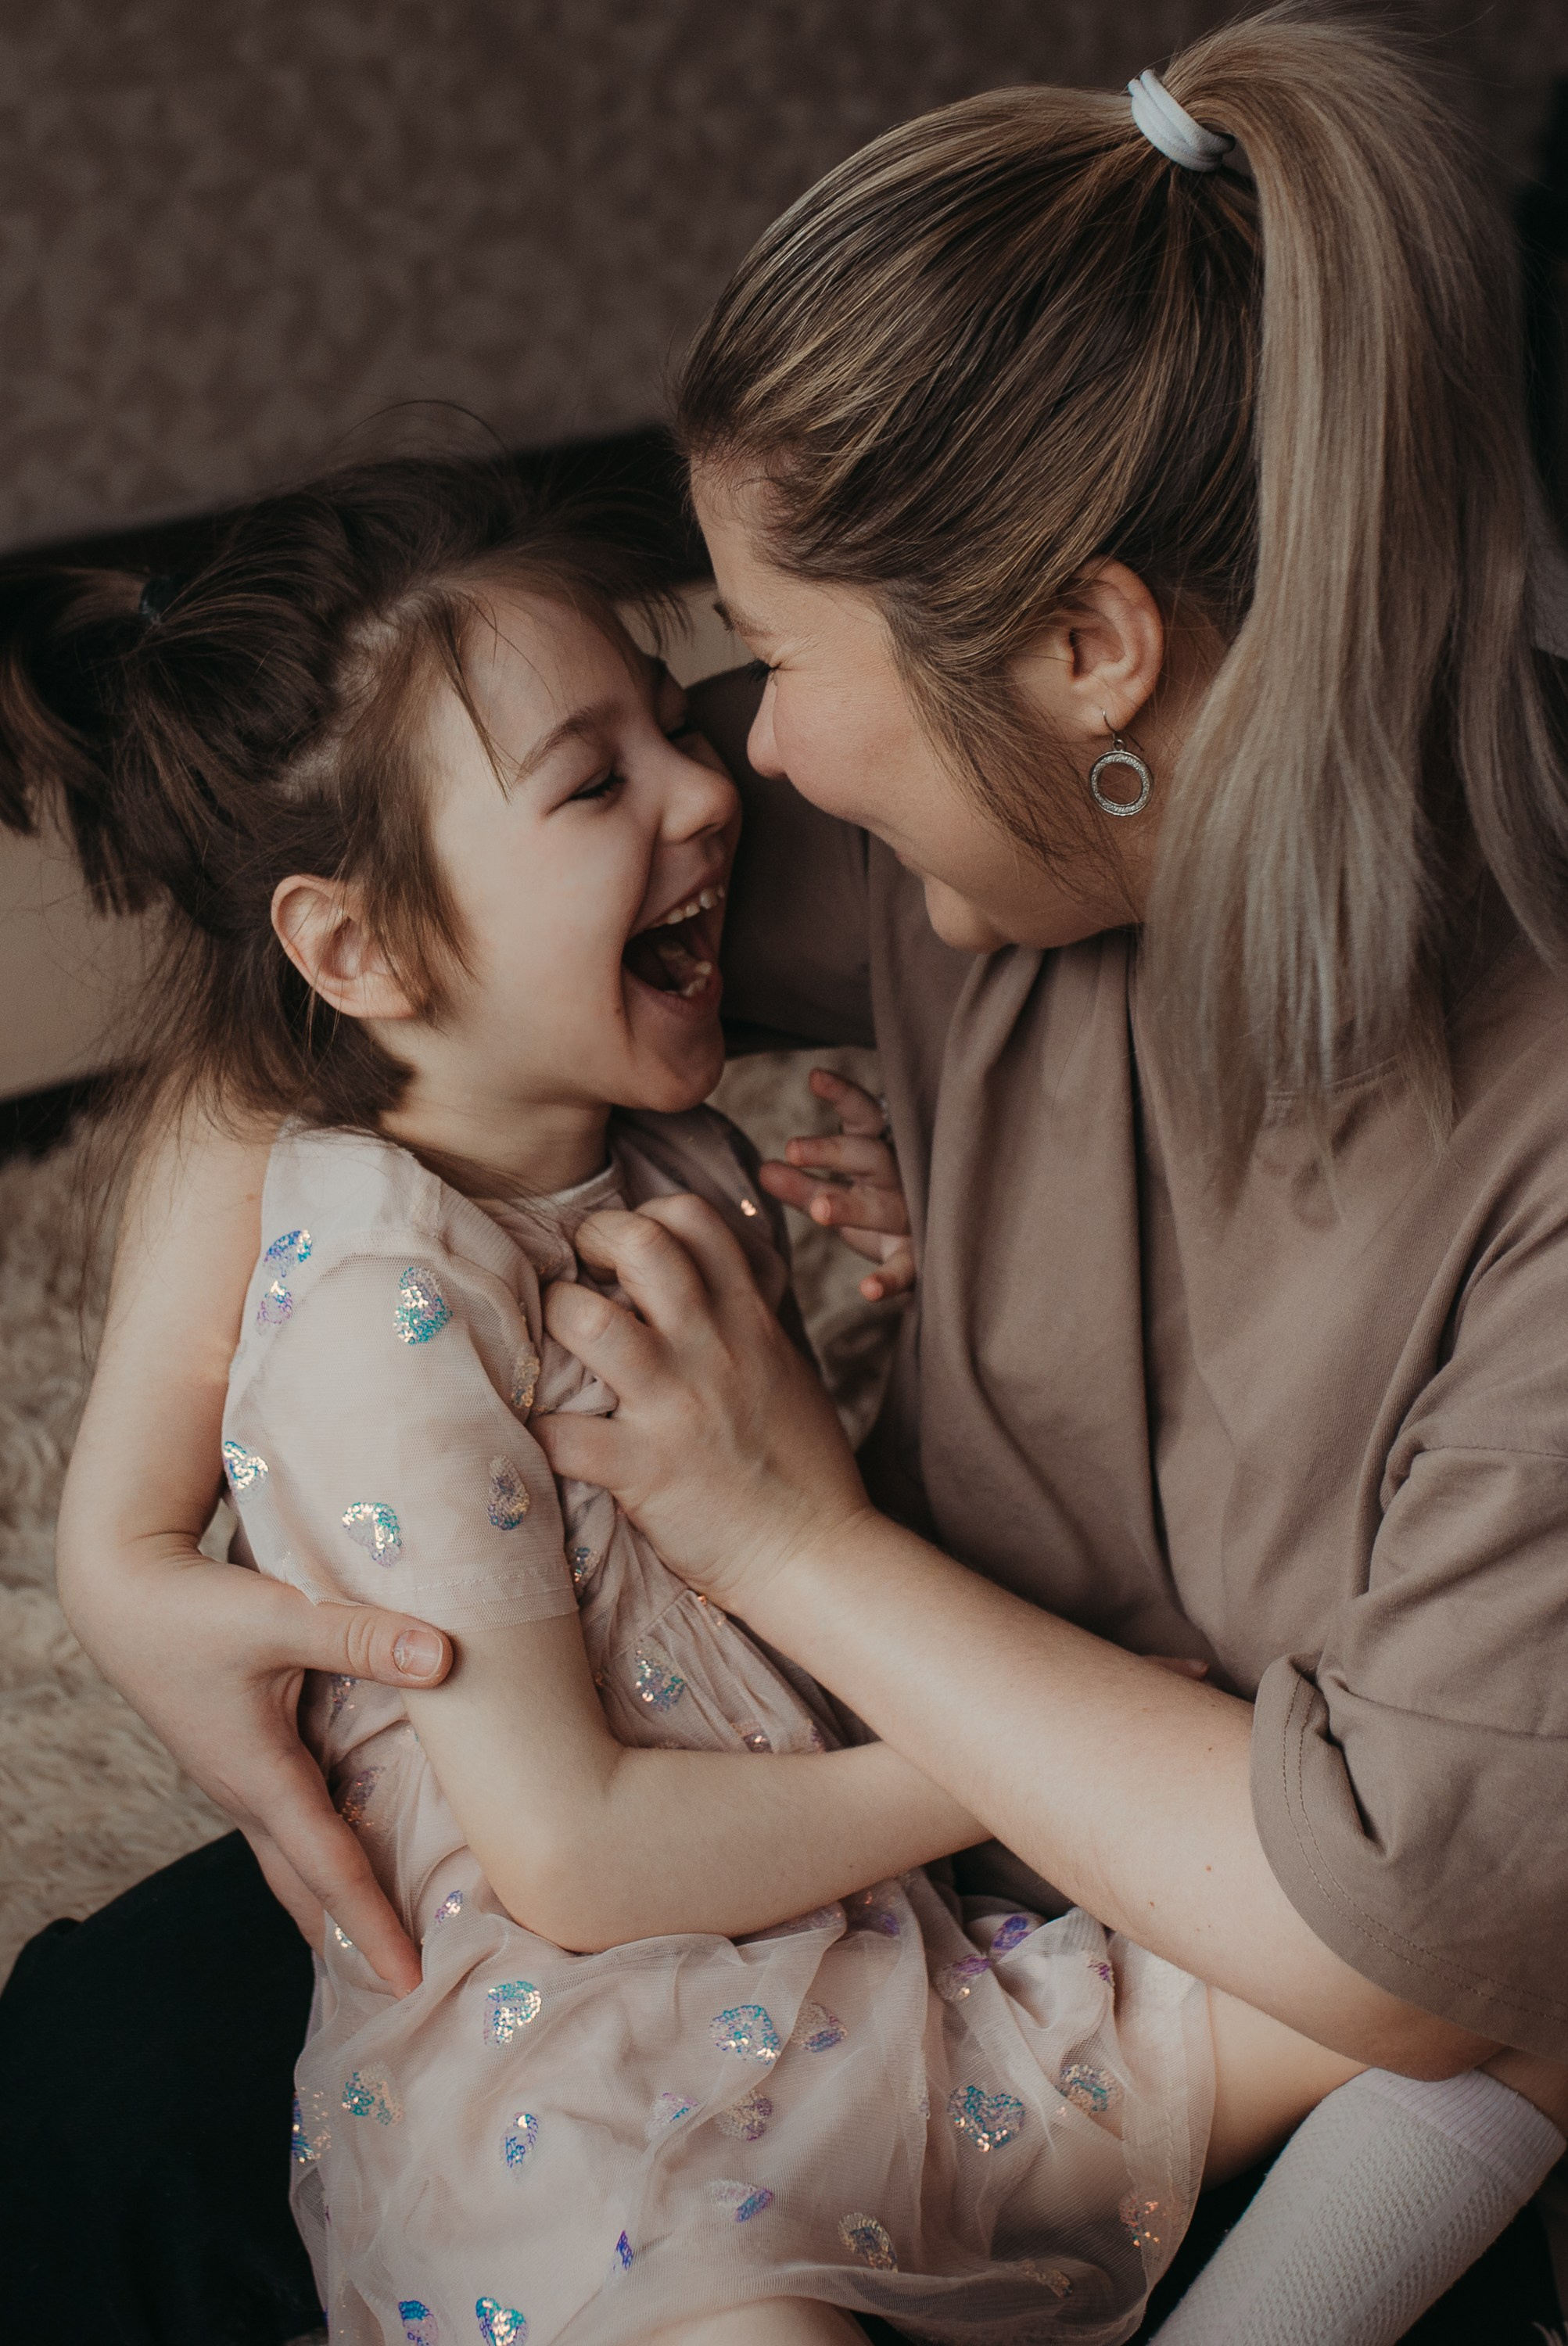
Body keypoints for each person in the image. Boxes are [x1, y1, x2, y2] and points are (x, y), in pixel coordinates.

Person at [2, 8, 1566, 2343]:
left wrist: (791, 1539)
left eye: (776, 658)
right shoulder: (995, 828)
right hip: (795, 1819)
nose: (750, 757)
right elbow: (355, 987)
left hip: (1220, 1929)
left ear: (1090, 655)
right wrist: (116, 1531)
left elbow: (1411, 1937)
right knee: (88, 2110)